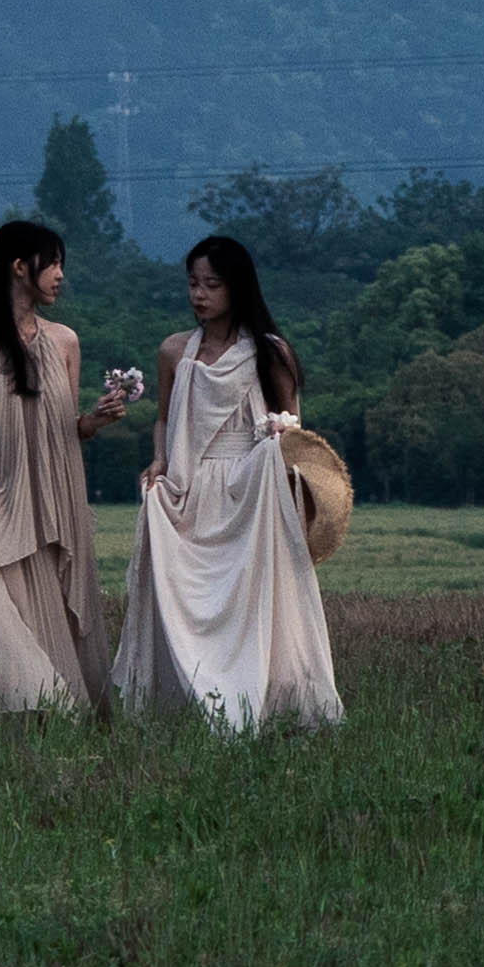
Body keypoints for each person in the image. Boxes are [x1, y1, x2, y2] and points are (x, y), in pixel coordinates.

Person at [113, 232, 346, 735]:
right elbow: (164, 418)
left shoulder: (270, 352)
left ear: (236, 288)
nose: (199, 294)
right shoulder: (175, 351)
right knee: (189, 599)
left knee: (250, 599)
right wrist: (158, 461)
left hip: (251, 491)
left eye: (212, 284)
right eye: (193, 283)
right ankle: (189, 705)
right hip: (193, 486)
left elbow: (291, 429)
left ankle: (261, 704)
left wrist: (283, 471)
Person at [0, 216, 133, 726]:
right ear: (21, 268)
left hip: (53, 493)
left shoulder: (65, 340)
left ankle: (52, 713)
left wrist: (97, 418)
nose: (61, 274)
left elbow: (69, 427)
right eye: (54, 263)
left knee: (52, 603)